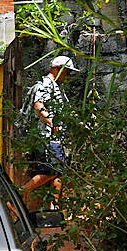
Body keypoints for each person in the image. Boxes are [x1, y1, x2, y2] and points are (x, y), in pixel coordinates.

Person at [20, 55, 79, 206]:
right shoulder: (45, 84)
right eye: (67, 71)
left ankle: (54, 209)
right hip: (46, 137)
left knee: (59, 172)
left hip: (54, 138)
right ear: (58, 69)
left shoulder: (56, 86)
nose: (68, 75)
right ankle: (16, 195)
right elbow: (38, 105)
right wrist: (52, 123)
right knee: (49, 172)